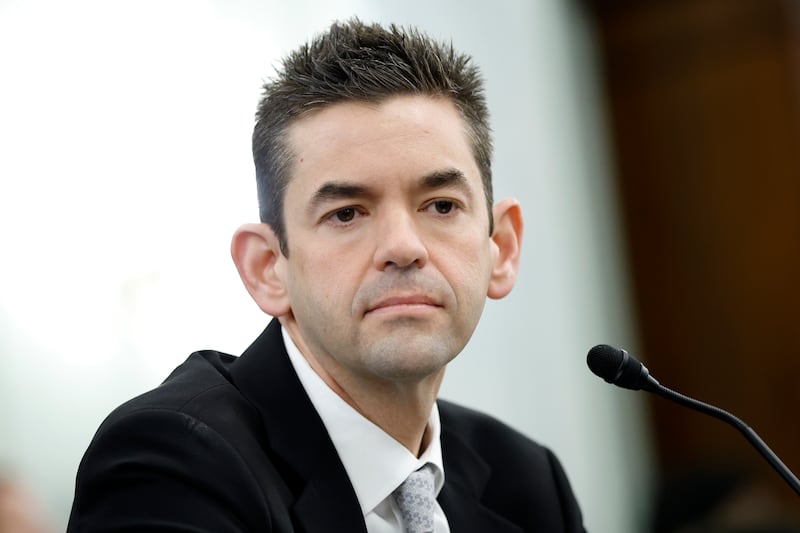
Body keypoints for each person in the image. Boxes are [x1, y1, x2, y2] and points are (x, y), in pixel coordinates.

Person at [67, 18, 586, 532]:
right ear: (268, 268)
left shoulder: (528, 483)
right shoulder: (171, 465)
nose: (403, 247)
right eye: (346, 213)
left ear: (502, 247)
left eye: (442, 205)